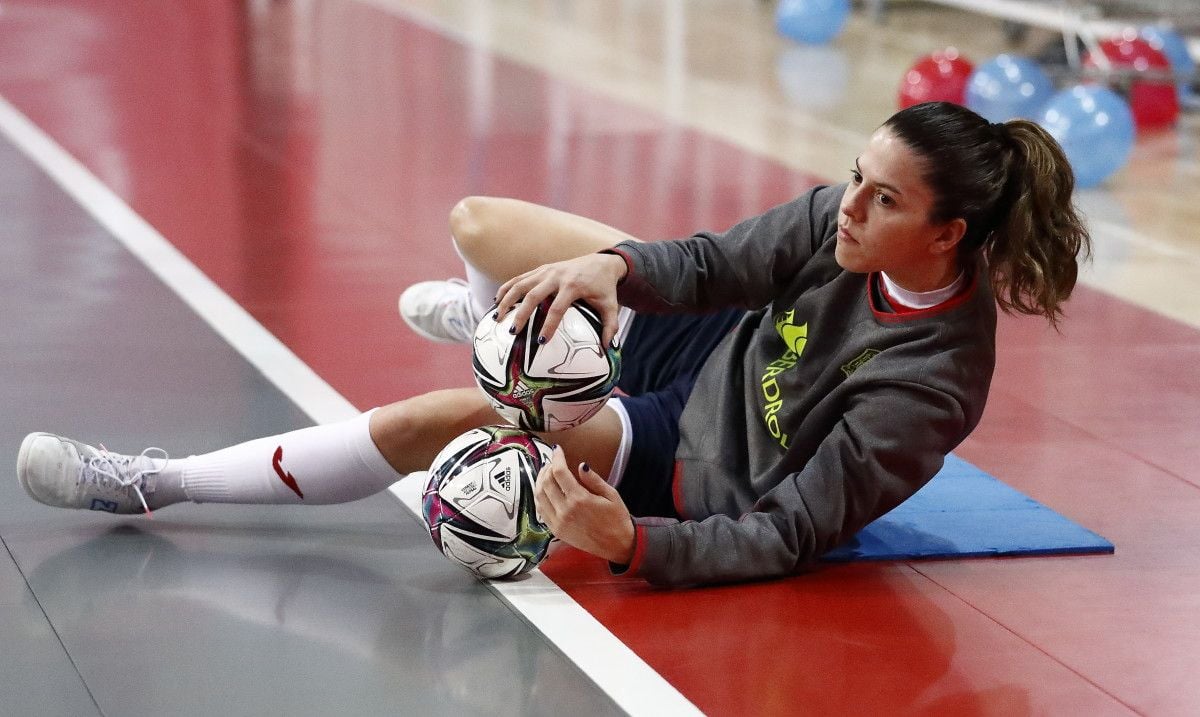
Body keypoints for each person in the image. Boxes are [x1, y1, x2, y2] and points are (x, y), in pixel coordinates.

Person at [16, 102, 1090, 588]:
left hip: (699, 452)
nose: (845, 205)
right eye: (854, 176)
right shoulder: (842, 223)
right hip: (713, 345)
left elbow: (791, 531)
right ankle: (510, 333)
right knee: (488, 225)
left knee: (448, 423)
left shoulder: (931, 387)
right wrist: (614, 271)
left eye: (881, 196)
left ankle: (150, 481)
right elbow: (718, 262)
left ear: (946, 235)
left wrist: (637, 546)